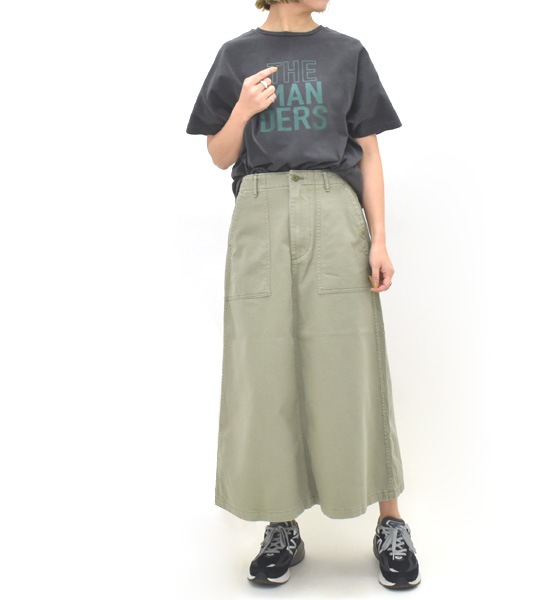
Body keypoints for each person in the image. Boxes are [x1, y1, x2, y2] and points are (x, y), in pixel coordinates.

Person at [186, 0, 421, 590]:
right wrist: (242, 110)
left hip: (333, 210)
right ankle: (281, 523)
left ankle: (390, 521)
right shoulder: (237, 55)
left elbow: (370, 153)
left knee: (353, 364)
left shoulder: (346, 52)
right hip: (260, 215)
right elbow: (218, 154)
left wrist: (379, 240)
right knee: (264, 370)